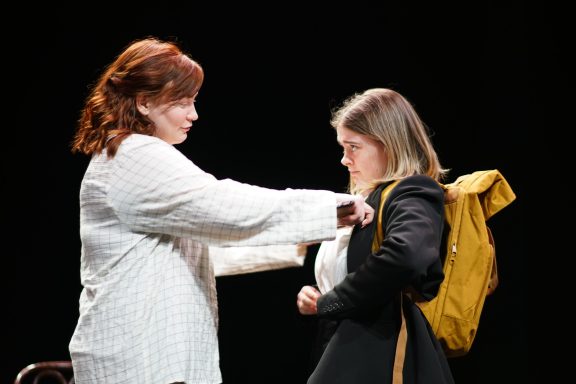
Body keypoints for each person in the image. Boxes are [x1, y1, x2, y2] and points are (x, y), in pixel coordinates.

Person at [69, 37, 373, 384]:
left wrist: (295, 241)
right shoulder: (135, 154)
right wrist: (330, 207)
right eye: (182, 103)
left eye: (193, 102)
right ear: (143, 102)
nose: (193, 114)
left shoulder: (122, 154)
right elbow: (225, 205)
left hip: (141, 353)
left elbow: (190, 250)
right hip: (139, 356)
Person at [296, 88, 455, 383]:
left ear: (388, 146)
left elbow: (405, 256)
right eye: (342, 148)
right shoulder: (365, 200)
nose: (345, 159)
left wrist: (330, 301)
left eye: (353, 147)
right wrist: (319, 293)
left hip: (382, 349)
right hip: (350, 344)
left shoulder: (413, 190)